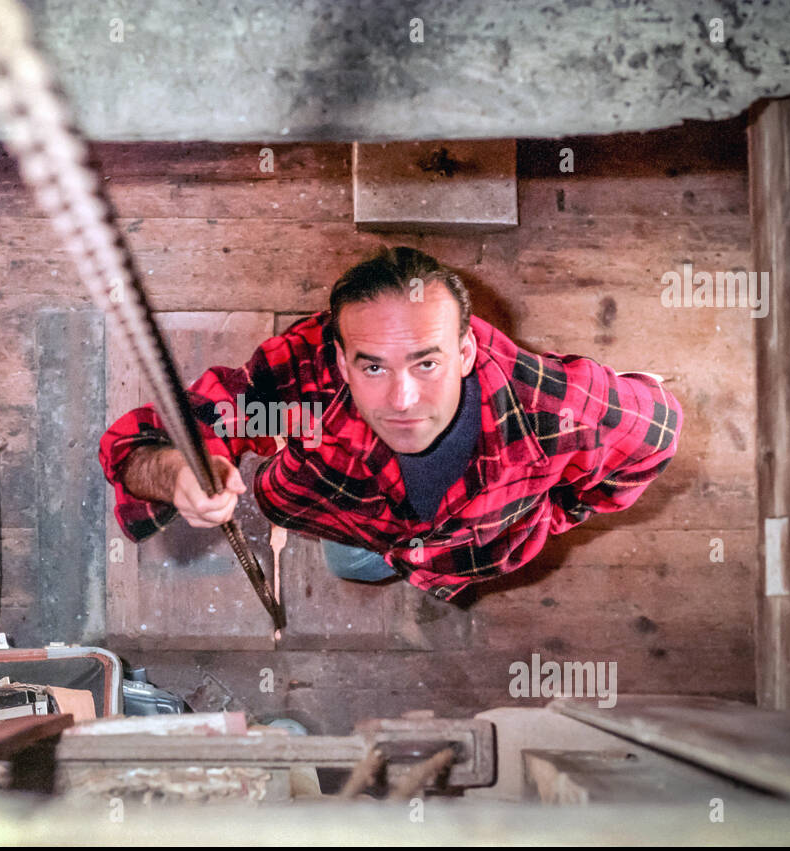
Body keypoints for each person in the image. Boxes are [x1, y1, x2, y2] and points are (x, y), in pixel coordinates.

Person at [98, 247, 682, 603]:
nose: (402, 400)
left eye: (426, 361)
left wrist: (555, 513)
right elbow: (148, 439)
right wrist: (175, 471)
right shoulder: (307, 389)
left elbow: (656, 434)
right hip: (337, 518)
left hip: (469, 554)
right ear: (340, 360)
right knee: (348, 563)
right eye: (372, 366)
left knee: (371, 566)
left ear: (467, 351)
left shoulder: (562, 410)